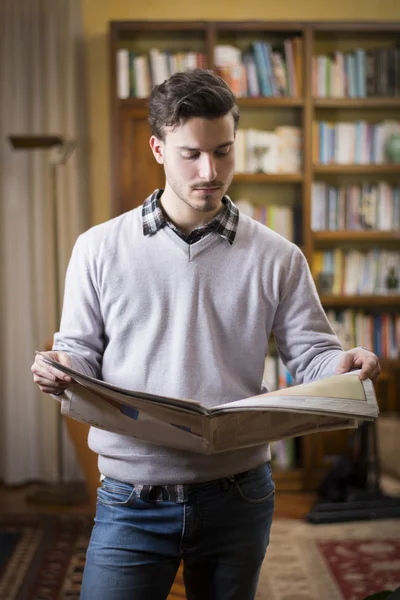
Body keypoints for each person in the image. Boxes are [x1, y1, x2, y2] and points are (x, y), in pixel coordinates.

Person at [31, 69, 381, 600]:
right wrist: (61, 369)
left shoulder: (278, 257)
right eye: (191, 154)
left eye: (224, 152)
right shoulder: (97, 248)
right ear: (157, 148)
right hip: (130, 497)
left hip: (238, 495)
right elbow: (80, 352)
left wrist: (343, 366)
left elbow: (311, 356)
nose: (210, 171)